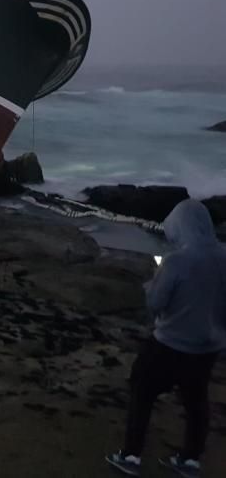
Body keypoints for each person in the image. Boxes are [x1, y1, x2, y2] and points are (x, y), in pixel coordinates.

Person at [106, 199, 226, 477]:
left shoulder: (176, 262)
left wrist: (152, 282)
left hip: (170, 343)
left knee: (142, 393)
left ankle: (131, 456)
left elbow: (155, 304)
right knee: (197, 403)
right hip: (208, 347)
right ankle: (190, 460)